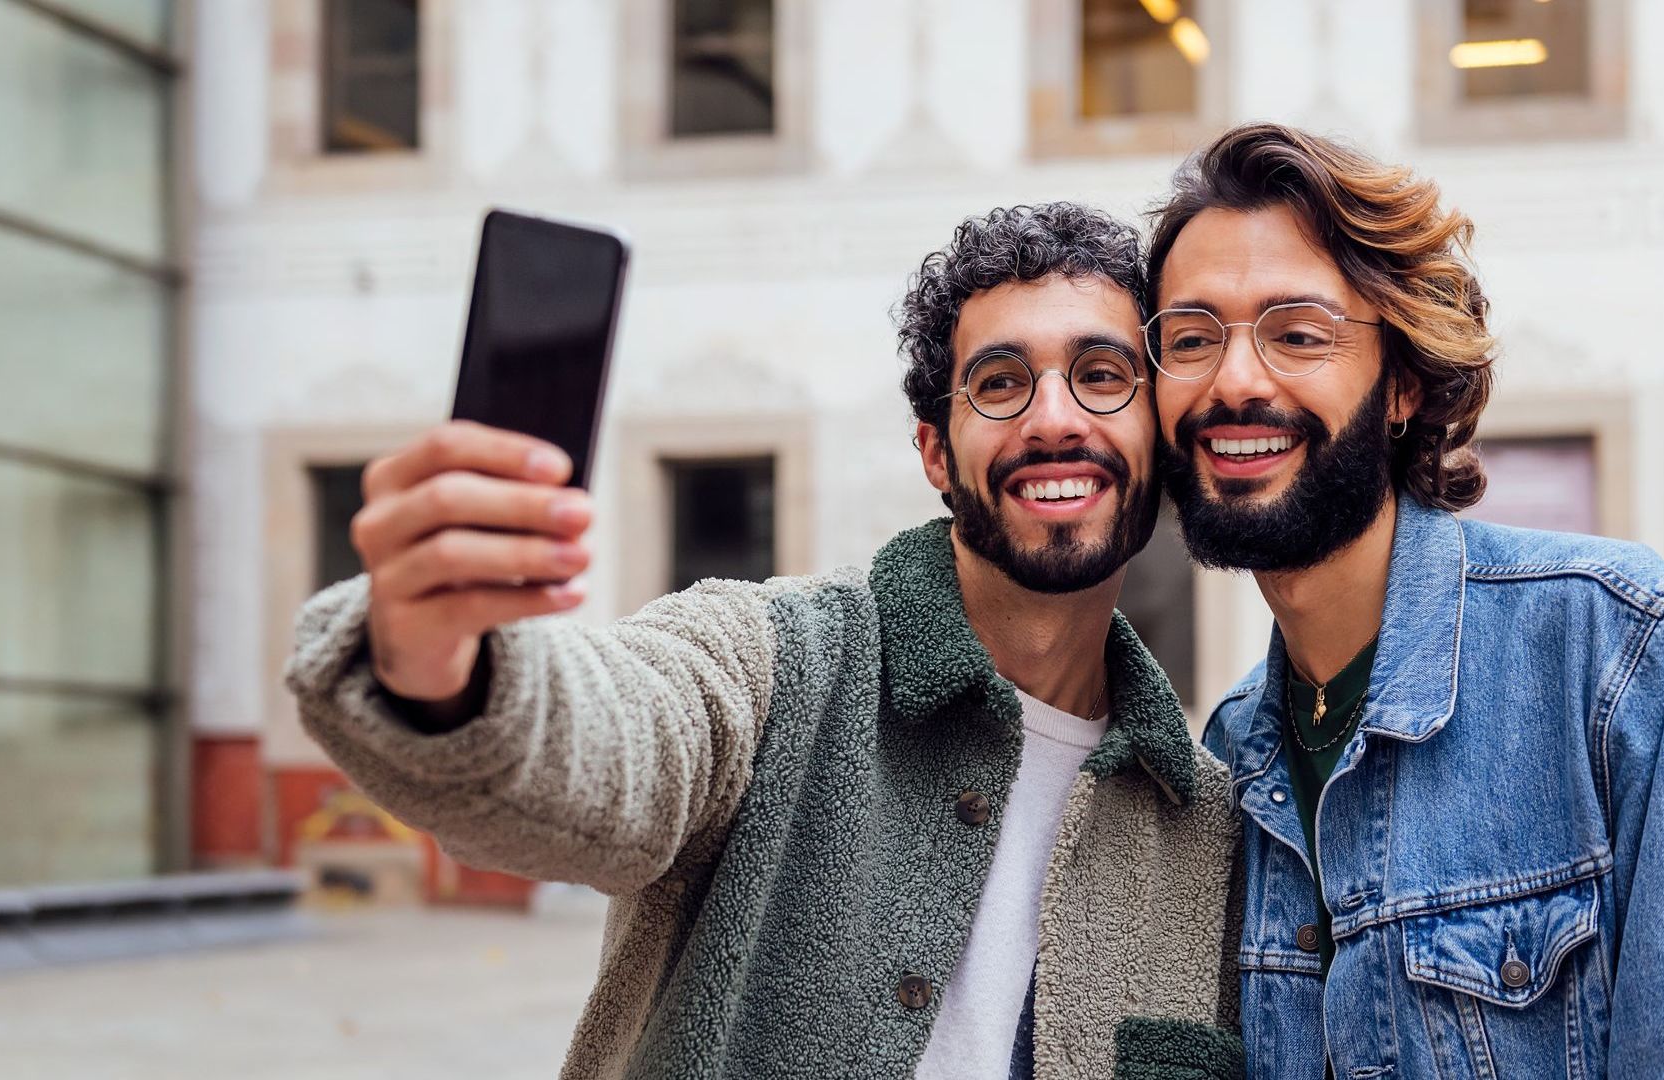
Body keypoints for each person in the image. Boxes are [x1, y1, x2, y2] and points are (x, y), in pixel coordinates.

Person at [286, 203, 1244, 1080]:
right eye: (1000, 383)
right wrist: (438, 662)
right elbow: (614, 741)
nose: (1055, 419)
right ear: (936, 453)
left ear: (1156, 432)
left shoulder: (1201, 816)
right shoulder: (771, 661)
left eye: (1103, 375)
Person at [1147, 121, 1664, 1078]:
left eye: (1297, 333)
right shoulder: (1227, 760)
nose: (1234, 380)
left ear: (1403, 386)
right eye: (1189, 339)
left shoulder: (1622, 654)